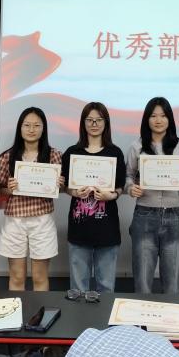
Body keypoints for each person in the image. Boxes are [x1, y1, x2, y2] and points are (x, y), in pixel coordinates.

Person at [0, 107, 63, 291]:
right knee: (17, 277)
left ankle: (41, 311)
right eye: (27, 125)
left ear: (43, 128)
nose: (31, 129)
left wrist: (59, 184)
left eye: (36, 125)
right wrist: (9, 189)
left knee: (40, 277)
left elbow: (60, 188)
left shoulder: (54, 155)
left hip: (42, 220)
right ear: (20, 127)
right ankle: (16, 310)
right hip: (15, 220)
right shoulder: (7, 157)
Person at [126, 96, 179, 294]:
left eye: (163, 115)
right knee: (143, 280)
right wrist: (130, 188)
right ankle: (142, 315)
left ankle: (170, 315)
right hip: (144, 213)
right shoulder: (136, 146)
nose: (158, 120)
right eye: (153, 116)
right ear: (146, 119)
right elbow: (128, 176)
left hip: (173, 215)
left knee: (172, 281)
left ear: (169, 119)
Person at [61, 102, 126, 293]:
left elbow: (120, 187)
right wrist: (74, 192)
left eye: (99, 120)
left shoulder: (115, 152)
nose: (94, 124)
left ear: (106, 123)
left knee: (106, 287)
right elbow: (64, 186)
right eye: (89, 120)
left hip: (107, 230)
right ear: (83, 123)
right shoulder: (72, 152)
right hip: (79, 230)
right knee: (78, 288)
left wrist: (111, 195)